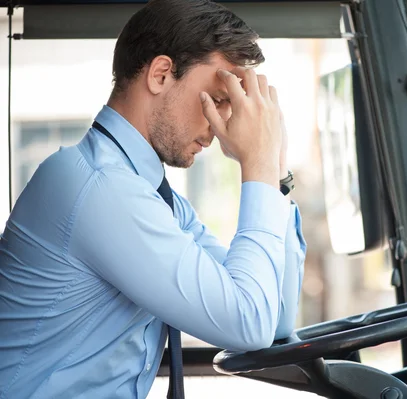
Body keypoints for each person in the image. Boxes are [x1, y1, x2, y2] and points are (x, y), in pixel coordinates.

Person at [0, 0, 306, 398]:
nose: (222, 123)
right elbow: (249, 321)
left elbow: (274, 320)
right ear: (161, 74)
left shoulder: (159, 201)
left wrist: (275, 172)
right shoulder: (99, 188)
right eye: (217, 98)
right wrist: (257, 164)